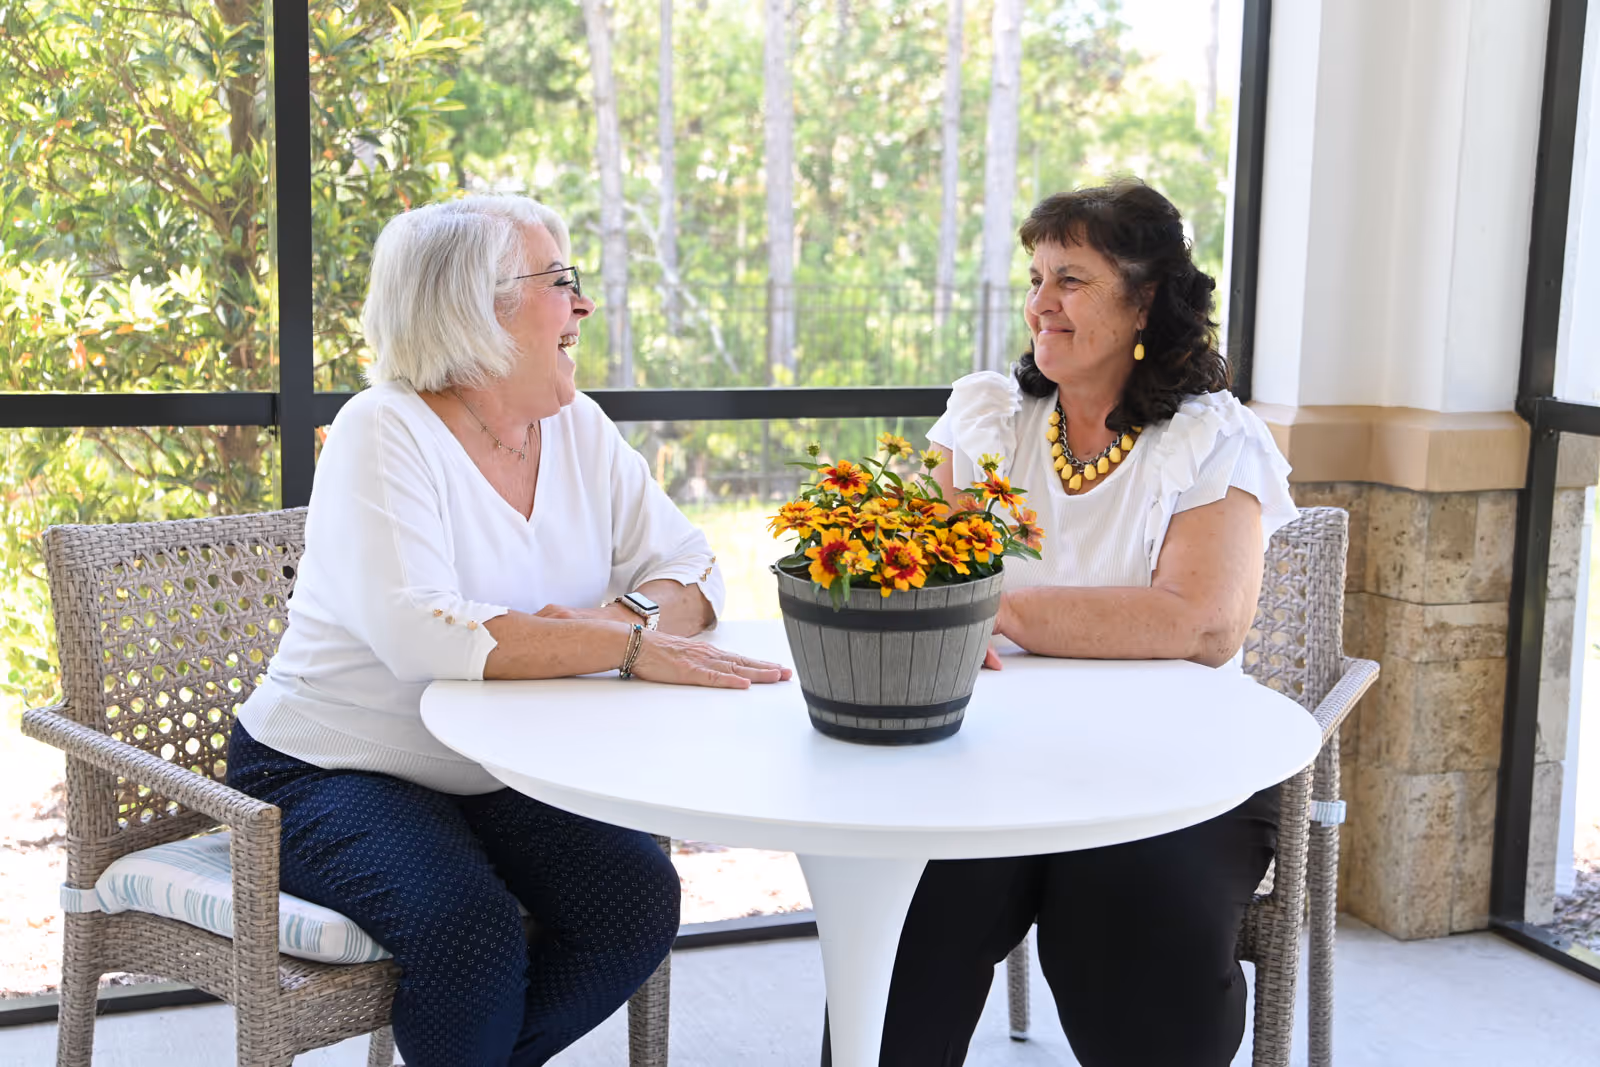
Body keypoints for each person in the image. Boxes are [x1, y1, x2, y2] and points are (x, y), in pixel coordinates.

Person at [228, 194, 790, 1067]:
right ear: (476, 306)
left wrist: (619, 619)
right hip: (333, 767)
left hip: (500, 766)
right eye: (561, 281)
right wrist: (626, 644)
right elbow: (424, 631)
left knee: (636, 900)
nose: (584, 305)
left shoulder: (577, 427)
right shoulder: (384, 431)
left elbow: (696, 569)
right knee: (469, 937)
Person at [880, 179, 1298, 1066]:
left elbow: (1201, 624)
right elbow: (931, 587)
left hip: (1176, 772)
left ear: (1145, 298)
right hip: (992, 758)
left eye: (1070, 278)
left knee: (1131, 922)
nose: (1040, 303)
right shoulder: (993, 419)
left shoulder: (1210, 438)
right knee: (901, 914)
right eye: (1036, 277)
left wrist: (1003, 610)